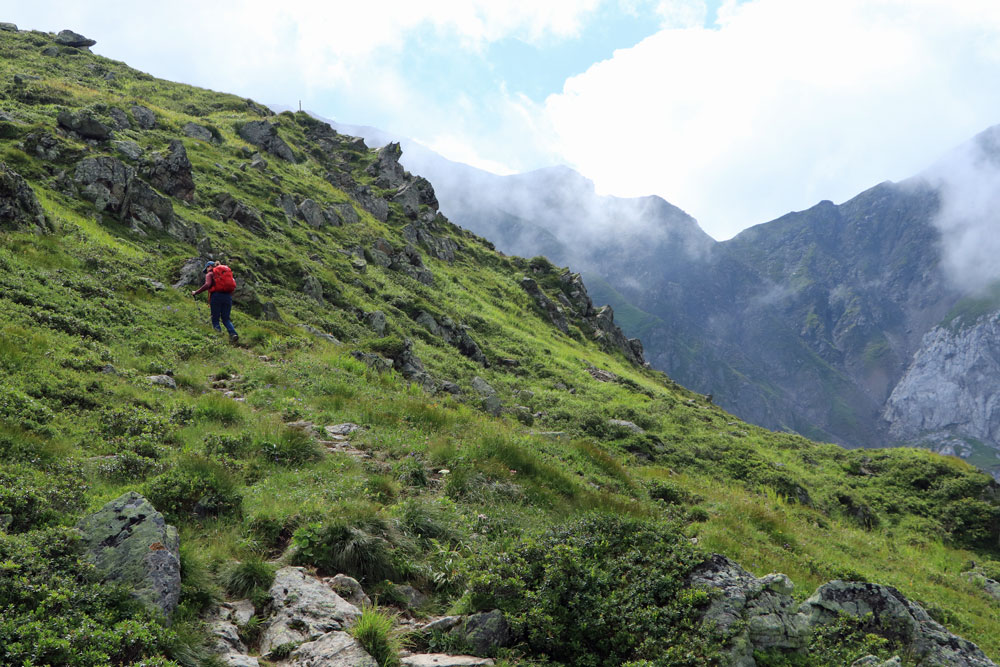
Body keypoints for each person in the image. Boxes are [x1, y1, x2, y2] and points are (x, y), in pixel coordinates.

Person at [192, 261, 239, 343]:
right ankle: (233, 334)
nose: (206, 271)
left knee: (215, 319)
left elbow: (207, 285)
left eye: (206, 269)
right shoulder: (225, 273)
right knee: (226, 319)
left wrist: (196, 292)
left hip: (216, 296)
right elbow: (233, 285)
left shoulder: (210, 274)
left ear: (209, 267)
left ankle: (219, 337)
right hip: (227, 297)